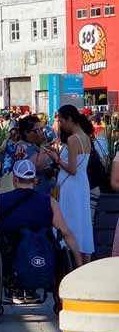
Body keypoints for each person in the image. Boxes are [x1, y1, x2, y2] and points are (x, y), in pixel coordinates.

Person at [0, 159, 82, 301]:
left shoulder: (0, 200)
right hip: (45, 254)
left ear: (15, 179)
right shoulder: (49, 201)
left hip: (11, 258)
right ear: (34, 180)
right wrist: (78, 264)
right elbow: (65, 232)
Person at [53, 105, 94, 264]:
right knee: (82, 222)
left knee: (70, 223)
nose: (61, 124)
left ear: (70, 119)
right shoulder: (86, 137)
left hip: (71, 185)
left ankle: (76, 264)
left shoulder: (72, 139)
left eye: (62, 121)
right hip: (82, 185)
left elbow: (72, 169)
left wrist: (56, 159)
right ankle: (85, 263)